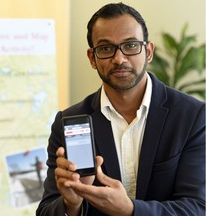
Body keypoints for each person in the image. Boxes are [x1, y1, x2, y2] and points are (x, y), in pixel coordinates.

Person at [36, 2, 205, 216]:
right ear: (92, 58)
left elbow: (198, 208)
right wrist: (72, 204)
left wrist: (130, 210)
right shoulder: (69, 120)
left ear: (149, 51)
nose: (119, 59)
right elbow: (46, 211)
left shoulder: (192, 116)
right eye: (106, 48)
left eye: (131, 45)